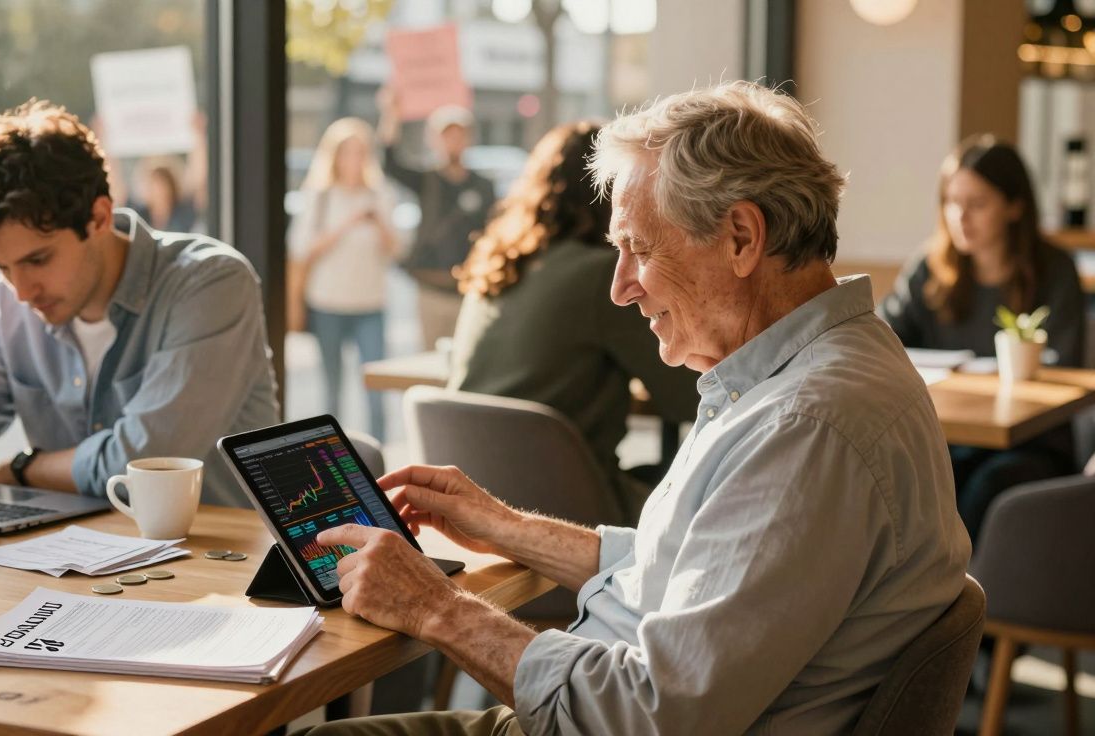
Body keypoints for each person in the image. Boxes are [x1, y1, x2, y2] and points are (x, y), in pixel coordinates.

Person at [294, 81, 971, 735]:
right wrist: (508, 527)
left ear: (741, 237)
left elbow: (646, 716)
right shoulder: (812, 372)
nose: (621, 288)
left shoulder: (803, 426)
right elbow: (679, 567)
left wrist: (437, 608)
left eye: (638, 250)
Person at [0, 100, 279, 507]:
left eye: (38, 260)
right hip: (75, 546)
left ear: (98, 218)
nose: (22, 291)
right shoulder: (8, 305)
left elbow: (143, 467)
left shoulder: (211, 283)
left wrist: (24, 469)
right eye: (2, 267)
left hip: (218, 545)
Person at [448, 121, 698, 521]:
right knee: (703, 490)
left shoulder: (497, 264)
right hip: (567, 507)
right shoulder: (602, 276)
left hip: (475, 500)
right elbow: (690, 396)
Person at [878, 135, 1084, 544]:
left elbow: (1064, 366)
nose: (960, 217)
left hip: (1032, 443)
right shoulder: (930, 269)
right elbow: (880, 340)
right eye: (951, 202)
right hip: (947, 439)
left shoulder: (1054, 271)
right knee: (903, 480)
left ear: (1014, 206)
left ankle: (961, 583)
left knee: (979, 486)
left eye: (977, 204)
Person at [288, 117, 398, 440]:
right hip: (328, 304)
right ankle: (331, 455)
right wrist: (347, 224)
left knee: (376, 393)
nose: (353, 159)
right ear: (333, 156)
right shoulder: (319, 196)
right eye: (346, 152)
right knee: (332, 390)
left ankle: (379, 455)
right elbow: (301, 248)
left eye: (360, 152)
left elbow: (396, 251)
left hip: (370, 304)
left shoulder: (380, 194)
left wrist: (378, 223)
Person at [377, 89, 496, 350]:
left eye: (459, 135)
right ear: (435, 140)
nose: (453, 141)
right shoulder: (427, 181)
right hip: (431, 286)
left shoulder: (483, 186)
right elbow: (391, 163)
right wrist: (391, 114)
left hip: (469, 289)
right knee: (430, 356)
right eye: (447, 135)